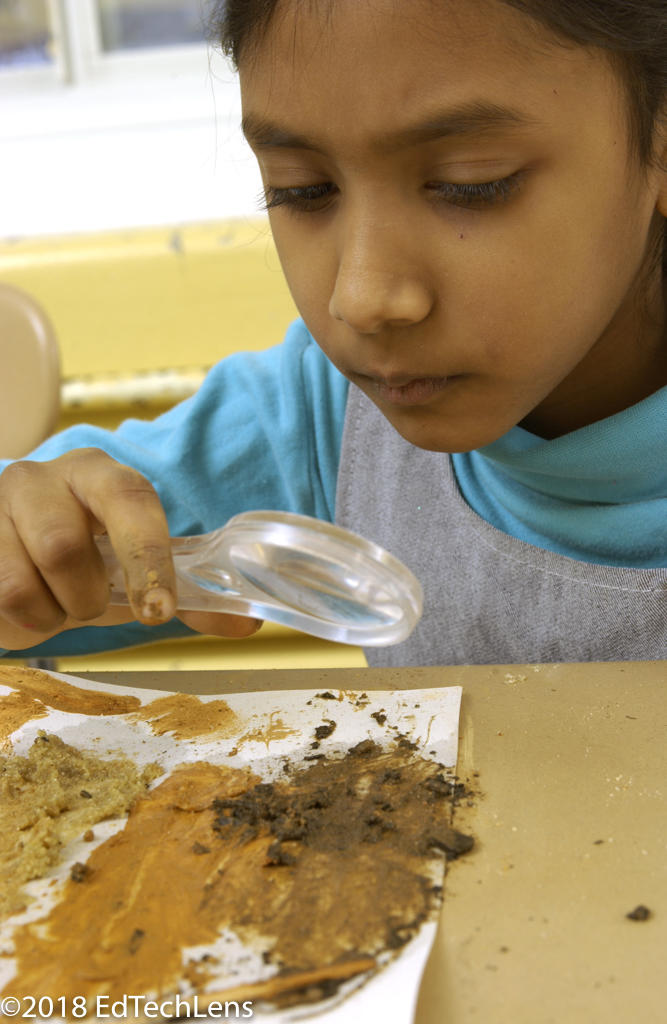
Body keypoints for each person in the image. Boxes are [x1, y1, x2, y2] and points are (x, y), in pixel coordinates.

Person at [0, 0, 665, 665]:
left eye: (470, 183)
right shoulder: (321, 418)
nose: (363, 297)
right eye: (303, 190)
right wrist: (28, 540)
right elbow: (38, 548)